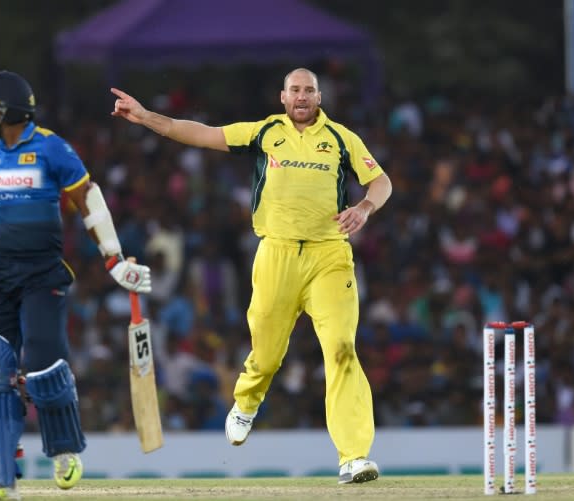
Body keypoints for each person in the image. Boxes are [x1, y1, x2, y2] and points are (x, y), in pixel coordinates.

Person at [111, 67, 392, 485]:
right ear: (282, 96)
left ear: (319, 97)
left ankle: (354, 456)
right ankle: (246, 401)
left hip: (329, 256)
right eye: (294, 90)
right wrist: (148, 116)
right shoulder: (265, 132)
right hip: (276, 253)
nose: (301, 97)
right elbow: (201, 133)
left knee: (341, 349)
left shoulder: (341, 138)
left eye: (309, 91)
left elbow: (381, 181)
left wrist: (365, 208)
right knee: (266, 354)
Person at [0, 70, 151, 501]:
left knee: (44, 363)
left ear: (7, 110)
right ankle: (0, 478)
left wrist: (114, 260)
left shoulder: (51, 147)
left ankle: (64, 447)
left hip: (41, 272)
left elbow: (90, 201)